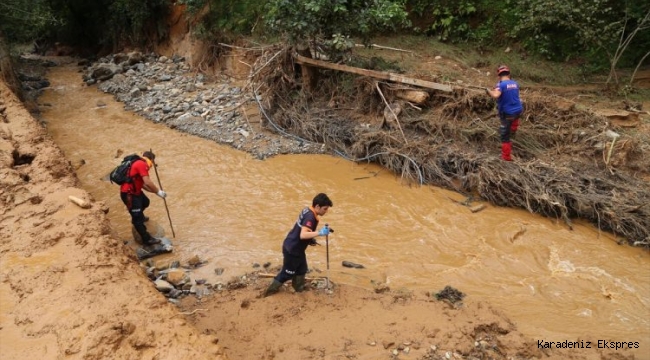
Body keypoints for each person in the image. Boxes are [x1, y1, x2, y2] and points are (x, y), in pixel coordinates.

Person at [263, 193, 333, 297]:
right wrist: (320, 233)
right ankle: (269, 292)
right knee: (287, 274)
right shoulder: (310, 217)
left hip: (295, 246)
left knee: (302, 269)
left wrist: (310, 239)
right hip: (293, 249)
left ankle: (298, 289)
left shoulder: (308, 210)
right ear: (317, 206)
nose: (326, 211)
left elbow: (302, 229)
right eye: (325, 209)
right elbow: (303, 235)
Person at [120, 151, 167, 246]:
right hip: (129, 194)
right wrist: (158, 192)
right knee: (137, 219)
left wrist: (155, 192)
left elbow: (143, 185)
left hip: (135, 191)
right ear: (152, 160)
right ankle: (147, 239)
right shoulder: (142, 164)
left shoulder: (138, 162)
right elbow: (148, 182)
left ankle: (138, 215)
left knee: (145, 202)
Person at [486, 64, 523, 161]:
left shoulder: (500, 85)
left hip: (508, 114)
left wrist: (489, 91)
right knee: (515, 120)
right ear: (509, 74)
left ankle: (506, 158)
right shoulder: (515, 83)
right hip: (518, 110)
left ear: (499, 76)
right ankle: (513, 131)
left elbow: (495, 95)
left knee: (505, 137)